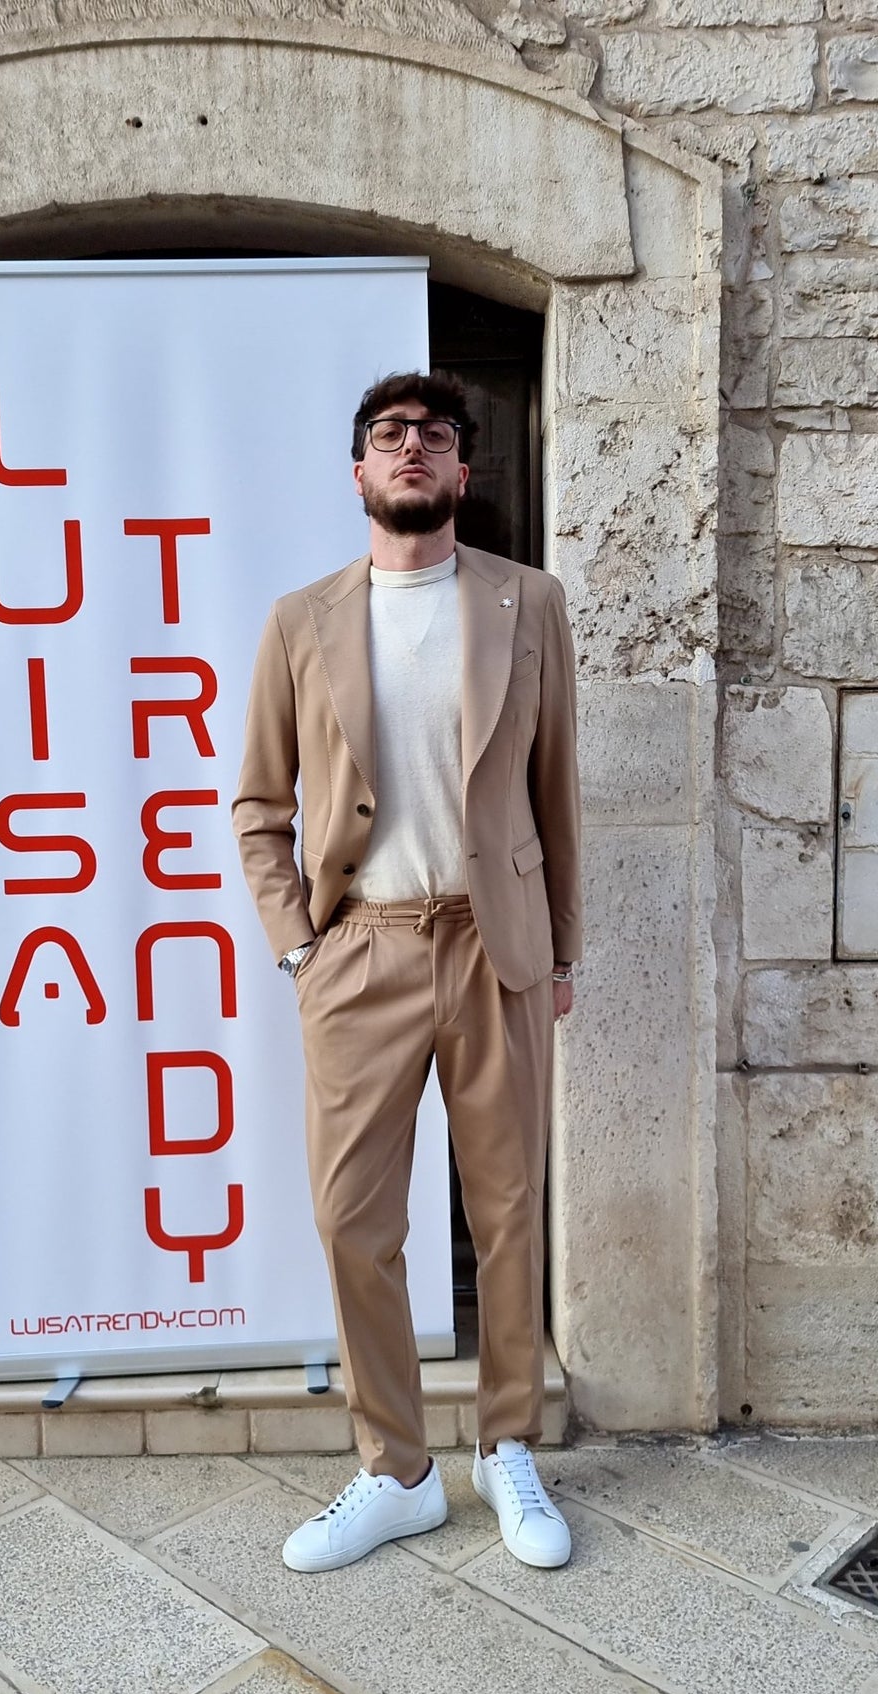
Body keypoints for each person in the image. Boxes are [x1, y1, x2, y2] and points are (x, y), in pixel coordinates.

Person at [231, 370, 581, 1573]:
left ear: (462, 470)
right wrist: (298, 945)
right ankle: (396, 1469)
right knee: (351, 1219)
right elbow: (258, 805)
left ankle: (507, 1446)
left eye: (434, 434)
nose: (411, 449)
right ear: (360, 473)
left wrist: (562, 949)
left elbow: (555, 792)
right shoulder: (301, 621)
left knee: (510, 1206)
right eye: (389, 435)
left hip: (497, 947)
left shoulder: (528, 602)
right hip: (361, 951)